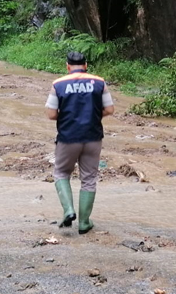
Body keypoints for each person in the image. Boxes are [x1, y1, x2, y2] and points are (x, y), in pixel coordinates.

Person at [45, 51, 114, 234]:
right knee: (89, 179)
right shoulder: (99, 82)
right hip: (93, 137)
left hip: (68, 137)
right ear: (86, 65)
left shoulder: (58, 84)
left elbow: (51, 114)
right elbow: (109, 109)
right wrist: (93, 115)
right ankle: (84, 223)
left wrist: (68, 116)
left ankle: (68, 210)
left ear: (67, 66)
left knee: (61, 173)